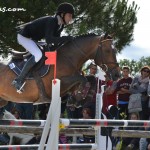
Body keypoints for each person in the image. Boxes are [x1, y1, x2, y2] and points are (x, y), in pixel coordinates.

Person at [12, 2, 75, 92]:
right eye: (69, 15)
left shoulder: (60, 25)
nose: (70, 18)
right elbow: (49, 40)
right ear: (62, 14)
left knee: (46, 51)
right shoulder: (52, 21)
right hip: (24, 37)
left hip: (33, 39)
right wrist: (66, 38)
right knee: (38, 54)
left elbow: (55, 43)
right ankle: (18, 80)